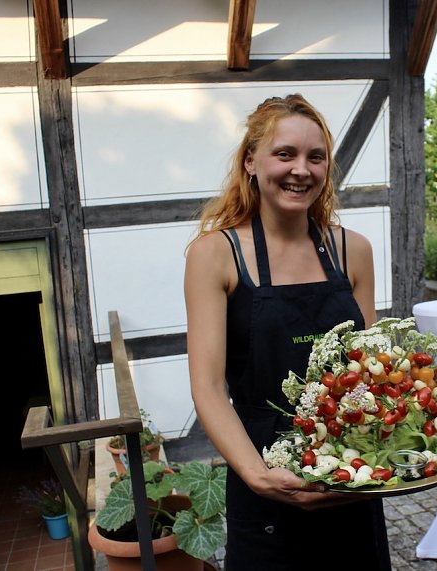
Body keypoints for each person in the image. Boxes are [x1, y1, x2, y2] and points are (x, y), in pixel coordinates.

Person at [183, 94, 391, 570]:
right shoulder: (216, 255)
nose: (302, 169)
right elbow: (209, 387)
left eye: (315, 157)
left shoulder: (351, 250)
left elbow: (370, 371)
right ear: (251, 161)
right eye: (285, 154)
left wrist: (392, 448)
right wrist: (256, 475)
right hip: (265, 474)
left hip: (348, 469)